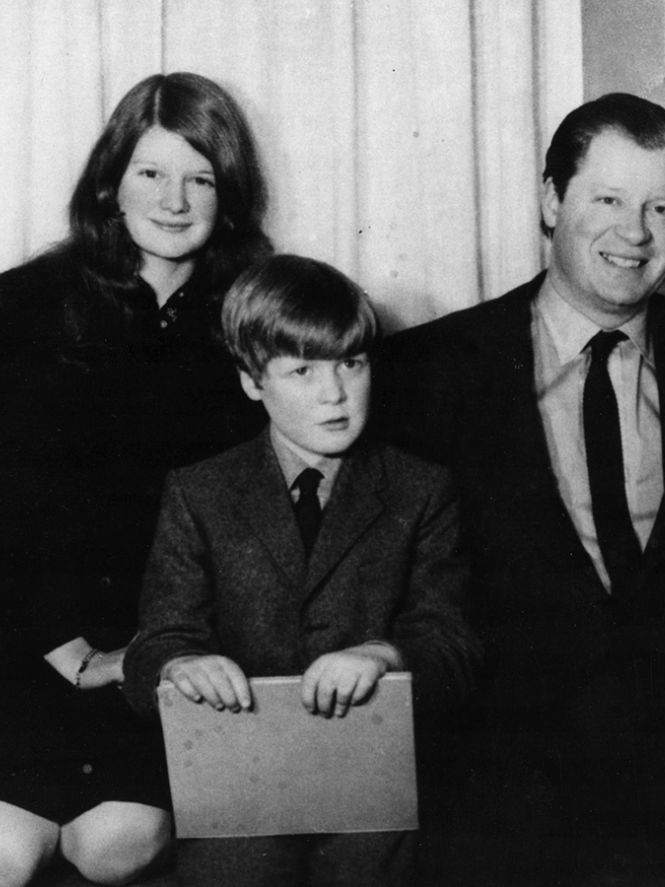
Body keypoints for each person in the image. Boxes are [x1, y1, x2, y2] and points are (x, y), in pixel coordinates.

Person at [378, 93, 665, 885]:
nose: (634, 232)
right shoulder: (431, 371)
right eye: (607, 199)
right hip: (509, 779)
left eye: (661, 207)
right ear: (550, 199)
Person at [0, 72, 269, 886]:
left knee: (116, 847)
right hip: (7, 637)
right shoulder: (27, 302)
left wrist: (152, 655)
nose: (174, 200)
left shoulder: (253, 316)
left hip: (154, 654)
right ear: (110, 182)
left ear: (229, 196)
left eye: (200, 178)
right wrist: (67, 651)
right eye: (151, 173)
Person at [121, 254, 480, 885]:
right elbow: (156, 642)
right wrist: (181, 666)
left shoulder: (421, 488)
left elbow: (451, 642)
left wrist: (384, 656)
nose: (335, 392)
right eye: (302, 370)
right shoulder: (198, 492)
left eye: (352, 362)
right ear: (252, 381)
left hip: (373, 791)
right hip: (240, 791)